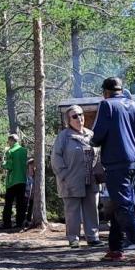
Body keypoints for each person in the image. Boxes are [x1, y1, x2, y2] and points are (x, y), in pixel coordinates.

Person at [90, 77, 135, 265]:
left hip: (117, 161)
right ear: (121, 89)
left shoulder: (106, 105)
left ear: (105, 92)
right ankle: (116, 248)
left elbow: (97, 137)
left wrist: (92, 141)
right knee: (118, 203)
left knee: (122, 205)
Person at [53, 105, 101, 248]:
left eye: (81, 114)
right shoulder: (63, 136)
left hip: (91, 179)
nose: (79, 118)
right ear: (68, 120)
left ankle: (93, 237)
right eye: (75, 116)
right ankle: (73, 239)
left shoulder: (91, 134)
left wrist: (100, 175)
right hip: (71, 180)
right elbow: (55, 157)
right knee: (72, 212)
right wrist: (64, 175)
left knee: (92, 209)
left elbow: (99, 155)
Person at [0, 133, 29, 230]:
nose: (8, 143)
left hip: (12, 181)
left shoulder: (10, 151)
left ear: (11, 140)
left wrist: (3, 163)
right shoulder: (24, 150)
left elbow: (9, 166)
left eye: (8, 141)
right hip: (22, 179)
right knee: (20, 203)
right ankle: (20, 222)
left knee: (8, 203)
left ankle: (7, 223)